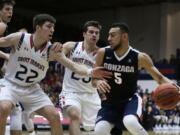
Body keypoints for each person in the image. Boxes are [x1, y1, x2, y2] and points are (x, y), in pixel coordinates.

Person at [0, 13, 111, 135]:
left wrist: (91, 72)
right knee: (4, 108)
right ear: (38, 28)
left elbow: (73, 66)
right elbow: (2, 41)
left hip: (32, 88)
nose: (52, 30)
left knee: (54, 116)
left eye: (53, 27)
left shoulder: (52, 50)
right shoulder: (19, 38)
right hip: (11, 84)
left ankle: (29, 119)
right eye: (49, 26)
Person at [92, 23, 179, 135]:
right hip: (109, 103)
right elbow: (93, 81)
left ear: (124, 36)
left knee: (130, 121)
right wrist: (97, 81)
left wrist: (177, 88)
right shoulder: (103, 53)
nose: (109, 39)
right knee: (100, 130)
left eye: (113, 35)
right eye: (108, 35)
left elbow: (160, 78)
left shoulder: (139, 57)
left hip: (129, 100)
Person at [59, 20, 102, 135]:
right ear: (84, 34)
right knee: (74, 115)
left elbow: (96, 80)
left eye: (97, 33)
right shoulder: (71, 46)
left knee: (92, 130)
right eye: (91, 32)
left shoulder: (101, 54)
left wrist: (98, 83)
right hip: (71, 92)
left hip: (91, 95)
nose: (94, 35)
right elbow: (57, 55)